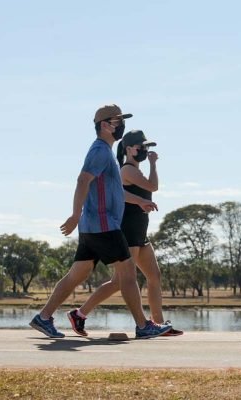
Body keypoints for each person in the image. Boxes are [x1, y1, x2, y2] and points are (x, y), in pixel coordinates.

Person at [29, 104, 171, 339]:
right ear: (105, 125)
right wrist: (75, 215)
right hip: (104, 224)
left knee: (77, 275)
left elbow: (113, 190)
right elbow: (83, 180)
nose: (121, 126)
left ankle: (43, 317)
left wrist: (137, 201)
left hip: (93, 226)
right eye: (118, 122)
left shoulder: (106, 152)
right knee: (127, 274)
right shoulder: (100, 151)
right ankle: (143, 326)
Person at [67, 130, 183, 337]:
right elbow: (152, 187)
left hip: (140, 231)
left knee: (154, 276)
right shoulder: (127, 170)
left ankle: (158, 323)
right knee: (119, 281)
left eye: (147, 147)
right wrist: (154, 164)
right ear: (129, 149)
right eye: (141, 147)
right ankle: (80, 313)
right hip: (128, 231)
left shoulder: (133, 170)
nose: (145, 151)